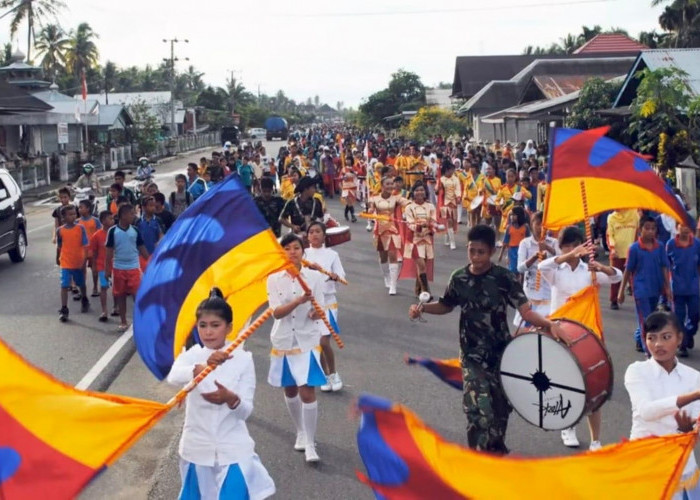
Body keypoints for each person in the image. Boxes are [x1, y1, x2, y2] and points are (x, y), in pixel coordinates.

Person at [408, 224, 564, 454]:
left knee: (500, 409)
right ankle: (478, 457)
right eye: (471, 250)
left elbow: (526, 312)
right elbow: (446, 305)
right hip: (471, 355)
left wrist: (551, 325)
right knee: (479, 410)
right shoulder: (459, 278)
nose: (475, 256)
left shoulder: (504, 278)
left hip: (501, 353)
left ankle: (494, 452)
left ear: (491, 251)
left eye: (481, 252)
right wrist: (422, 309)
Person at [166, 288, 276, 500]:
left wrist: (230, 399)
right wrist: (198, 368)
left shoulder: (243, 360)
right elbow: (173, 376)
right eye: (203, 326)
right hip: (196, 448)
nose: (208, 332)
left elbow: (245, 412)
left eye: (215, 325)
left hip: (233, 448)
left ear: (229, 328)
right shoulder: (193, 355)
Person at [538, 225, 622, 450]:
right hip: (561, 331)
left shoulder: (590, 270)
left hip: (588, 333)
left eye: (576, 245)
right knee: (566, 381)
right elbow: (541, 266)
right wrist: (567, 255)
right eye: (567, 245)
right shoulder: (556, 271)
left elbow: (617, 278)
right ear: (562, 247)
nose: (573, 249)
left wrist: (603, 268)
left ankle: (596, 439)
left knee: (593, 384)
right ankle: (568, 427)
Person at [624, 310, 700, 500]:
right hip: (644, 462)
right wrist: (692, 396)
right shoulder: (636, 371)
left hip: (681, 466)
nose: (658, 344)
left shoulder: (694, 376)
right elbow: (646, 411)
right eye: (652, 338)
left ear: (679, 338)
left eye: (666, 337)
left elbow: (696, 422)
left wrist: (688, 431)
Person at [266, 233, 326, 463]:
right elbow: (277, 312)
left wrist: (314, 310)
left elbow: (318, 307)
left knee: (307, 390)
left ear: (303, 251)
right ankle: (300, 431)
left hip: (307, 341)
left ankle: (311, 443)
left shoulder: (314, 277)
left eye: (296, 248)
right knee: (290, 389)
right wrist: (299, 302)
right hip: (283, 340)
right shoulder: (273, 279)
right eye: (288, 249)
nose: (292, 252)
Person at [618, 215, 671, 354]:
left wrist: (667, 288)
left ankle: (638, 337)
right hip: (641, 290)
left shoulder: (659, 246)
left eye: (653, 228)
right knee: (646, 321)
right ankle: (649, 353)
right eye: (647, 228)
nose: (650, 231)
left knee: (650, 318)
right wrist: (621, 291)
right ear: (640, 230)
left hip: (656, 289)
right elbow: (628, 269)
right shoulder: (634, 248)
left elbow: (664, 267)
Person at [304, 222, 346, 392]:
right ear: (307, 236)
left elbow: (342, 277)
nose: (314, 235)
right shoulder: (303, 255)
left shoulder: (332, 255)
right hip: (309, 304)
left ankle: (334, 373)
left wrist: (335, 277)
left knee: (324, 340)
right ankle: (324, 375)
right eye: (311, 232)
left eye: (318, 231)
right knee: (316, 343)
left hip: (327, 303)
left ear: (324, 235)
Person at [105, 203, 150, 332]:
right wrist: (107, 270)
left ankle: (141, 319)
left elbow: (142, 248)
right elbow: (108, 252)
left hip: (133, 268)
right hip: (118, 268)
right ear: (123, 215)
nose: (133, 216)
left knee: (137, 295)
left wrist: (152, 263)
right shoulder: (113, 231)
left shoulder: (135, 230)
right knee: (121, 295)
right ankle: (123, 320)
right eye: (131, 213)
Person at [515, 211, 558, 328]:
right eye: (537, 224)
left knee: (547, 331)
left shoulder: (554, 243)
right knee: (527, 331)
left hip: (548, 294)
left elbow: (561, 263)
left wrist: (548, 250)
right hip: (531, 293)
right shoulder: (525, 243)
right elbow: (520, 268)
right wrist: (534, 258)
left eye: (543, 225)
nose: (540, 228)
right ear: (531, 224)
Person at [368, 176, 409, 296]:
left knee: (393, 255)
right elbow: (371, 206)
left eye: (392, 184)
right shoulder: (374, 198)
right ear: (382, 186)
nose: (391, 186)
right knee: (383, 257)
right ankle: (386, 276)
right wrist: (371, 210)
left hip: (392, 229)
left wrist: (413, 205)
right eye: (388, 184)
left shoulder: (396, 198)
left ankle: (393, 285)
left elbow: (406, 203)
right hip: (380, 230)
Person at [666, 222, 700, 357]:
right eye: (682, 225)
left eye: (687, 226)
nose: (685, 229)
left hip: (693, 287)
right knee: (678, 318)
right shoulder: (671, 244)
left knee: (695, 314)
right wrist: (667, 287)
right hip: (677, 287)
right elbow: (666, 267)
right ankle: (682, 344)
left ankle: (689, 333)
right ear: (677, 227)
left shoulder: (696, 244)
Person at [403, 182, 438, 297]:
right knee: (421, 265)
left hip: (427, 239)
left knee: (423, 266)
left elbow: (433, 221)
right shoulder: (409, 208)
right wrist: (417, 226)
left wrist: (431, 225)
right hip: (415, 240)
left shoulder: (430, 206)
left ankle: (418, 289)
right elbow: (409, 223)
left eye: (422, 190)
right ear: (413, 192)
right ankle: (425, 291)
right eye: (417, 190)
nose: (420, 192)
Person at [56, 205, 90, 322]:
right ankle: (64, 309)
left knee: (81, 284)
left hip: (78, 262)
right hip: (65, 262)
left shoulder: (80, 228)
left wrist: (84, 260)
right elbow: (60, 246)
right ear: (63, 217)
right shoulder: (60, 230)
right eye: (70, 215)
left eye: (74, 214)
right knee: (64, 285)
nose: (73, 216)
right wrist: (57, 257)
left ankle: (84, 298)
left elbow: (85, 245)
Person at [606, 209, 639, 310]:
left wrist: (638, 248)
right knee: (616, 277)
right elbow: (609, 235)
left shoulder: (635, 215)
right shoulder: (611, 218)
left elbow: (638, 232)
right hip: (617, 253)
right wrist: (612, 249)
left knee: (636, 278)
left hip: (632, 252)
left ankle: (640, 299)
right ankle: (614, 300)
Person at [90, 211, 114, 322]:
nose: (112, 221)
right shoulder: (96, 236)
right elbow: (94, 252)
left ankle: (116, 307)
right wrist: (94, 265)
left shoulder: (115, 233)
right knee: (104, 287)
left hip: (115, 265)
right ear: (103, 221)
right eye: (110, 218)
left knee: (116, 289)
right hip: (102, 266)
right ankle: (104, 310)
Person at [77, 200, 102, 298]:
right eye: (79, 207)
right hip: (82, 250)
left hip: (93, 249)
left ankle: (95, 287)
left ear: (88, 209)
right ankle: (81, 290)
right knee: (81, 270)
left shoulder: (95, 220)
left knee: (94, 270)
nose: (79, 209)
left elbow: (100, 233)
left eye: (81, 207)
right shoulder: (77, 221)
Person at [498, 206, 529, 278]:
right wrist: (501, 254)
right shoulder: (509, 227)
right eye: (511, 215)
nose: (512, 217)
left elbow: (528, 239)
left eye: (514, 215)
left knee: (522, 270)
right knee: (513, 270)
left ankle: (521, 285)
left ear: (519, 215)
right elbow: (505, 242)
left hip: (523, 250)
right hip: (512, 251)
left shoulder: (525, 227)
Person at [438, 162, 462, 250]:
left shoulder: (455, 179)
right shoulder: (441, 179)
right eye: (452, 169)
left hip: (453, 202)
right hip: (444, 203)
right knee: (449, 221)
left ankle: (447, 237)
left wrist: (458, 196)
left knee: (452, 221)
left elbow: (458, 188)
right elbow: (438, 191)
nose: (453, 171)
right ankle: (452, 242)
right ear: (447, 170)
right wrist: (438, 189)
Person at [136, 195, 162, 271]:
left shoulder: (158, 220)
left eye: (154, 205)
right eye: (150, 206)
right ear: (143, 207)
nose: (153, 208)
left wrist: (159, 242)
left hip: (155, 253)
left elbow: (161, 234)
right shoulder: (138, 222)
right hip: (141, 255)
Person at [340, 157, 358, 223]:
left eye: (349, 159)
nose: (348, 161)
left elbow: (359, 174)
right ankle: (353, 216)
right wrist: (343, 177)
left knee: (349, 202)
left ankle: (346, 213)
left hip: (353, 186)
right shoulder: (343, 169)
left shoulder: (354, 168)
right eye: (347, 160)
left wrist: (354, 172)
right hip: (345, 187)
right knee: (349, 201)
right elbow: (340, 177)